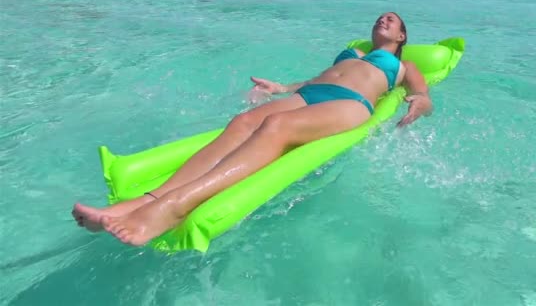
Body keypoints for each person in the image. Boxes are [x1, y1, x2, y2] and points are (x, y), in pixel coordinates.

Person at [72, 12, 433, 246]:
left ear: (401, 37)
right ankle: (143, 201)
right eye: (379, 17)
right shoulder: (352, 51)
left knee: (276, 126)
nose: (382, 20)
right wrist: (280, 88)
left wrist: (418, 102)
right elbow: (318, 78)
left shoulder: (403, 66)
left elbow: (422, 93)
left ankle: (174, 207)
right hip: (311, 93)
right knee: (244, 122)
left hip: (351, 105)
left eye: (391, 20)